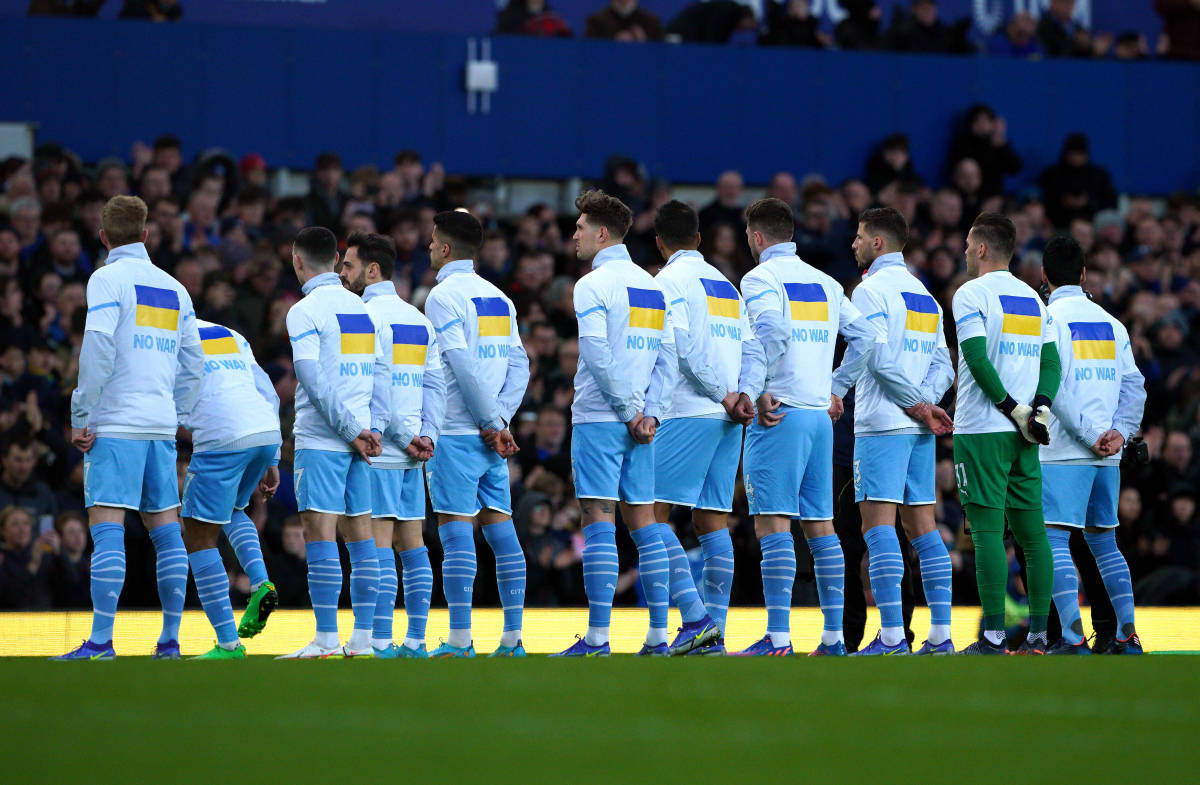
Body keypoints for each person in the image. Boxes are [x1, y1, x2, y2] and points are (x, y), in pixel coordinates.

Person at [552, 190, 712, 657]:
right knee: (644, 524)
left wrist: (629, 411)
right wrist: (651, 413)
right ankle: (672, 630)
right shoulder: (650, 284)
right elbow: (668, 359)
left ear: (602, 233)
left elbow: (597, 356)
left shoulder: (591, 284)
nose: (574, 235)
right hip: (642, 422)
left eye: (580, 227)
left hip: (604, 418)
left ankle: (599, 639)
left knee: (598, 520)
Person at [54, 195, 203, 661]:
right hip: (158, 425)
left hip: (115, 423)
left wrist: (82, 413)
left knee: (108, 529)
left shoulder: (106, 278)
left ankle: (100, 642)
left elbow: (97, 348)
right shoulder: (174, 288)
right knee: (165, 529)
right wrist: (175, 415)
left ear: (103, 237)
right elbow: (193, 363)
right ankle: (171, 641)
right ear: (145, 235)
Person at [735, 197, 876, 656]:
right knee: (821, 527)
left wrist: (755, 388)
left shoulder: (760, 278)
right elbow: (867, 338)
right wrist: (836, 387)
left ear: (757, 237)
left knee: (772, 523)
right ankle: (833, 638)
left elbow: (772, 335)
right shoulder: (826, 282)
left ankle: (777, 638)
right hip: (819, 417)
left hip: (781, 412)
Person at [843, 208, 956, 655]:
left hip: (883, 424)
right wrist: (925, 405)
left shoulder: (870, 290)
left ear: (877, 243)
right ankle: (942, 635)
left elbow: (875, 356)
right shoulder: (924, 295)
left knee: (878, 528)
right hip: (917, 429)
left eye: (858, 236)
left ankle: (891, 636)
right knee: (924, 527)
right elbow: (944, 364)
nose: (853, 243)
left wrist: (915, 405)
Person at [650, 200, 758, 656]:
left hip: (687, 410)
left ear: (660, 243)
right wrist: (744, 394)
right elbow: (754, 349)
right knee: (711, 520)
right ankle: (715, 631)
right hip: (728, 418)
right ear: (698, 239)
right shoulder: (726, 285)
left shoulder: (667, 281)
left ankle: (695, 620)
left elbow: (681, 345)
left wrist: (722, 394)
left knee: (647, 516)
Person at [951, 212, 1061, 655]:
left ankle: (994, 635)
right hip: (1027, 434)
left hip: (982, 428)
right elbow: (1052, 364)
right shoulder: (1035, 301)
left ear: (980, 248)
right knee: (1033, 536)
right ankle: (1038, 634)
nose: (962, 252)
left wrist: (1011, 409)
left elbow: (976, 359)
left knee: (987, 534)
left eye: (966, 245)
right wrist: (1041, 411)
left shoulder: (970, 293)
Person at [422, 210, 530, 658]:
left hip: (455, 430)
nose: (428, 248)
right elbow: (520, 364)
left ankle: (461, 639)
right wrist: (501, 419)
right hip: (492, 435)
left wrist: (489, 421)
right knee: (501, 529)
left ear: (446, 249)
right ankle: (512, 639)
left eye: (431, 242)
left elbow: (461, 365)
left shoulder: (442, 297)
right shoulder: (500, 298)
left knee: (455, 530)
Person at [278, 226, 384, 660]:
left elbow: (311, 377)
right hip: (361, 439)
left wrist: (348, 429)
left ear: (298, 260)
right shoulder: (363, 309)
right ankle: (361, 641)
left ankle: (325, 639)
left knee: (319, 534)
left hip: (325, 438)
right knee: (361, 536)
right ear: (337, 259)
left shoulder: (304, 311)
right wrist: (372, 428)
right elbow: (382, 377)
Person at [339, 231, 445, 658]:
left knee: (378, 544)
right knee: (412, 542)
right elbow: (435, 384)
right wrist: (428, 436)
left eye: (347, 265)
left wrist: (404, 436)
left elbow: (377, 387)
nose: (341, 274)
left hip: (381, 446)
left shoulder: (362, 316)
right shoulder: (417, 318)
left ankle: (380, 640)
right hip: (413, 451)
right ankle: (415, 641)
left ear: (372, 269)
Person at [1038, 236, 1146, 654]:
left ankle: (1071, 637)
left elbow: (1055, 389)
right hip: (1109, 454)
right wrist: (1120, 432)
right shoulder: (1112, 324)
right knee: (1105, 542)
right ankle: (1127, 633)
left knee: (1054, 541)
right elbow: (1135, 386)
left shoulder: (1047, 320)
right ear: (1083, 275)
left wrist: (1088, 436)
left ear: (1044, 277)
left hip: (1064, 451)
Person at [177, 317, 283, 659]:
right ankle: (260, 581)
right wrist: (274, 456)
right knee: (233, 510)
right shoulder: (229, 333)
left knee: (196, 535)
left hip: (222, 436)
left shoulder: (166, 333)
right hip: (264, 430)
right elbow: (266, 389)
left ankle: (228, 643)